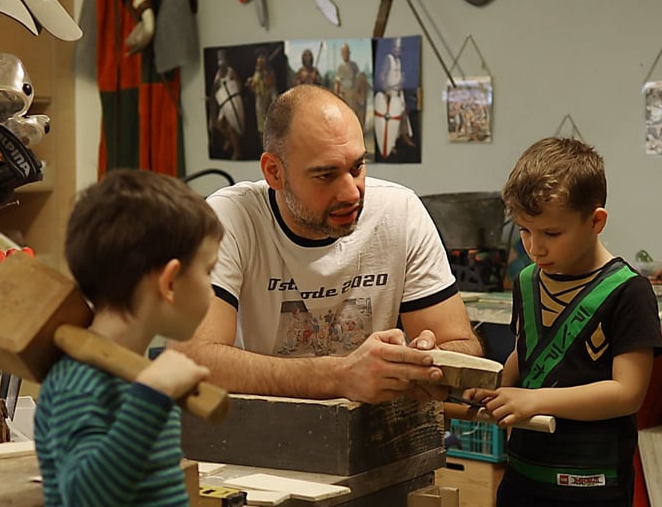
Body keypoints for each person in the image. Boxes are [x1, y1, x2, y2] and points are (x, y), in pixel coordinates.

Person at [174, 84, 481, 403]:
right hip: (259, 431)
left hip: (375, 429)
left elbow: (464, 346)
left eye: (357, 167)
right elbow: (191, 357)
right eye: (325, 175)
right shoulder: (228, 218)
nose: (351, 193)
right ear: (274, 172)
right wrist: (339, 376)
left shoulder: (399, 211)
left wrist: (425, 359)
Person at [468, 137, 662, 507]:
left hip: (592, 484)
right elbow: (525, 352)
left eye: (551, 233)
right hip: (523, 475)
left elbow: (627, 393)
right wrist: (495, 388)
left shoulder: (628, 291)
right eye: (524, 230)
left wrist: (535, 400)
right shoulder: (527, 281)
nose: (535, 247)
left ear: (596, 221)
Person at [34, 169, 223, 507]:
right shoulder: (78, 383)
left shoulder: (141, 375)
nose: (212, 290)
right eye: (208, 271)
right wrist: (151, 397)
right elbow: (85, 499)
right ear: (169, 282)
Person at [210, 49, 244, 160]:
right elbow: (214, 90)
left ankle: (237, 151)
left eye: (222, 58)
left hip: (233, 102)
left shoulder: (230, 72)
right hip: (224, 104)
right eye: (219, 59)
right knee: (218, 124)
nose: (221, 61)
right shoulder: (218, 74)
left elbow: (238, 86)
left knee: (232, 127)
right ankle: (228, 139)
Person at [333, 43, 368, 127]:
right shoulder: (340, 67)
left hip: (354, 95)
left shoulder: (354, 65)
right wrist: (335, 97)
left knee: (356, 118)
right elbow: (337, 84)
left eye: (346, 52)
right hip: (344, 95)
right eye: (343, 52)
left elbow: (360, 80)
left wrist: (359, 95)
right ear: (341, 54)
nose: (345, 54)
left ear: (349, 53)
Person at [246, 52, 279, 141]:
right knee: (261, 127)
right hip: (260, 101)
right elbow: (252, 88)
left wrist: (264, 74)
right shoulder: (256, 73)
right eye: (259, 60)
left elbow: (271, 83)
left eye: (262, 59)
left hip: (269, 99)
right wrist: (250, 83)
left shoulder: (270, 72)